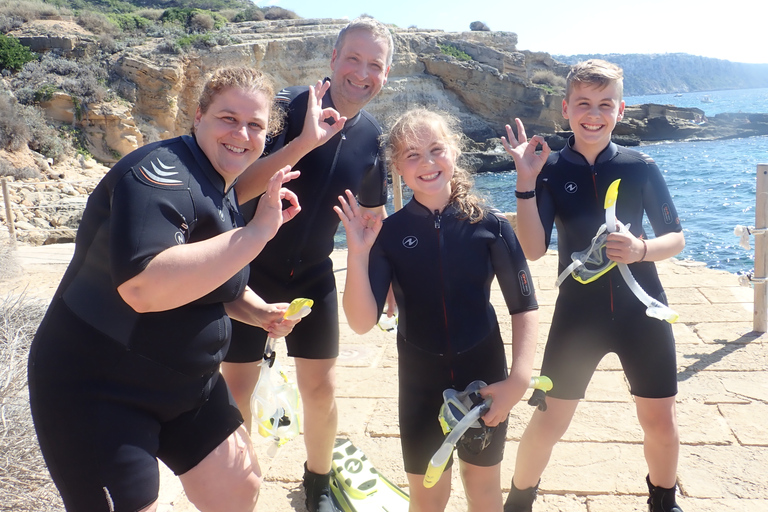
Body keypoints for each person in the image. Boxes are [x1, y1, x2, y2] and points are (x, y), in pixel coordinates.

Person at [28, 67, 302, 512]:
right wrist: (258, 233)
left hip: (186, 388)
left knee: (240, 484)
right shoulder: (156, 172)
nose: (242, 134)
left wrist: (259, 312)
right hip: (99, 386)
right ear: (198, 117)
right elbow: (145, 287)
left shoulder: (222, 182)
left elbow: (211, 279)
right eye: (227, 118)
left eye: (254, 125)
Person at [221, 16, 394, 512]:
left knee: (320, 388)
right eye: (354, 59)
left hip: (315, 272)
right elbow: (238, 187)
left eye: (375, 65)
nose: (362, 73)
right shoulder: (286, 109)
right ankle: (238, 487)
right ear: (334, 59)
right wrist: (304, 142)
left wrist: (385, 280)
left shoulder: (372, 138)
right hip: (250, 267)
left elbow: (371, 216)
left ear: (385, 75)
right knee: (238, 388)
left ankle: (318, 484)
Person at [501, 59, 686, 512]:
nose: (594, 113)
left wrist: (641, 250)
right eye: (583, 103)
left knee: (660, 421)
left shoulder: (640, 165)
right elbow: (532, 249)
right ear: (566, 108)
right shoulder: (547, 169)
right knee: (548, 421)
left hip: (642, 310)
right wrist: (526, 182)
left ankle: (663, 501)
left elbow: (676, 238)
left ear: (620, 110)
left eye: (605, 104)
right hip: (578, 316)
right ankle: (518, 502)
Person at [335, 109, 540, 512]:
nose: (426, 163)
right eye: (411, 155)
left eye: (435, 150)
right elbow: (361, 322)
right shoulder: (388, 235)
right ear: (395, 166)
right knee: (428, 498)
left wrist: (518, 379)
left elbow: (524, 305)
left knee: (483, 491)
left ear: (455, 152)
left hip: (484, 377)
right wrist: (358, 256)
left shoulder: (492, 226)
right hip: (420, 386)